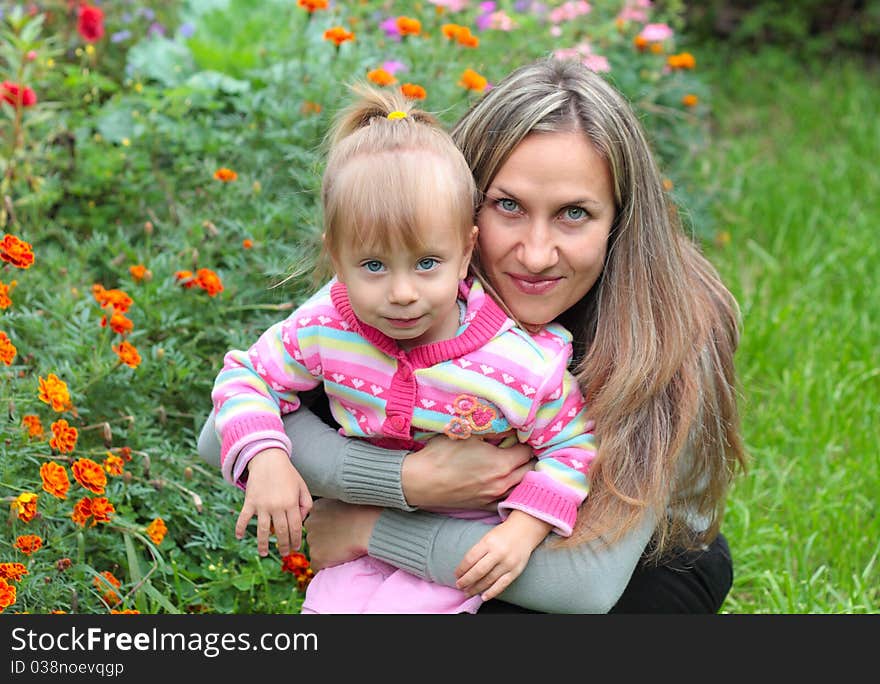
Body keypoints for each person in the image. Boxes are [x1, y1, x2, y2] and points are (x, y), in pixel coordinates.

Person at [199, 57, 746, 613]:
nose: (535, 254)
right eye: (508, 205)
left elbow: (582, 585)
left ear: (620, 221)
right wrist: (407, 480)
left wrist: (369, 528)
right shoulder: (416, 279)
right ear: (464, 214)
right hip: (454, 540)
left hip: (630, 563)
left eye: (574, 213)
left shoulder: (670, 329)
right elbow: (220, 429)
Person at [210, 84, 598, 613]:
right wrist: (268, 458)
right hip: (355, 543)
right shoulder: (327, 325)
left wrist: (526, 529)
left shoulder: (520, 365)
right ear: (337, 258)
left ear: (465, 251)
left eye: (426, 264)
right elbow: (247, 376)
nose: (401, 293)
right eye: (373, 266)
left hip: (459, 544)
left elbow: (572, 445)